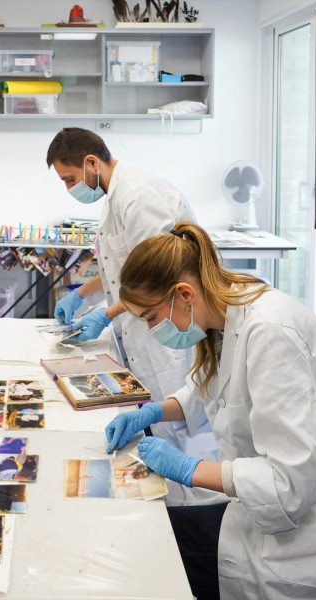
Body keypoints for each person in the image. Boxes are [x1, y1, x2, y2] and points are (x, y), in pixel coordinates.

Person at [104, 221, 316, 599]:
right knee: (146, 532)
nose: (152, 329)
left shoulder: (271, 333)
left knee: (146, 557)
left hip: (309, 534)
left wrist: (190, 470)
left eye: (151, 318)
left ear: (184, 293)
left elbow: (290, 484)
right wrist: (152, 412)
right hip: (257, 508)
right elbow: (209, 393)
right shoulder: (224, 313)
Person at [47, 127, 220, 506]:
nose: (69, 189)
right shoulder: (113, 198)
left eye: (70, 179)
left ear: (91, 162)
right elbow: (119, 264)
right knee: (153, 424)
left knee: (173, 431)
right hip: (143, 329)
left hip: (165, 330)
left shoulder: (142, 197)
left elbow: (157, 278)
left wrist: (105, 314)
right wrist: (81, 292)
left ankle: (181, 516)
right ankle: (169, 505)